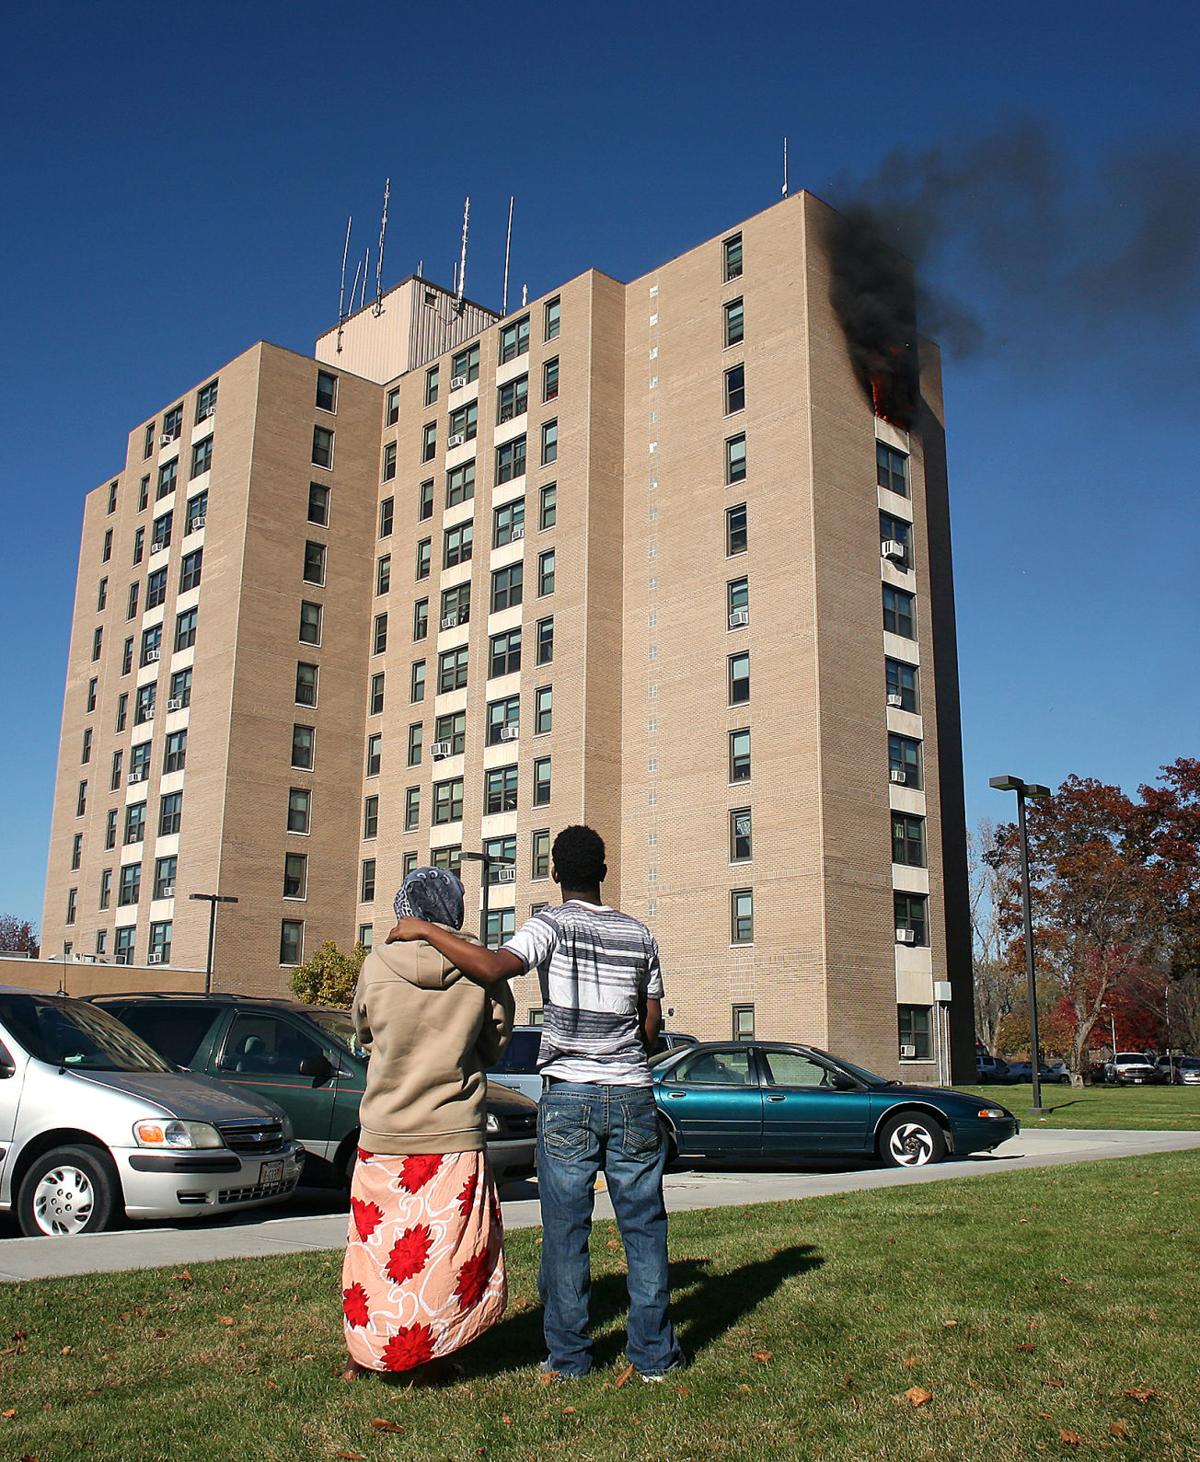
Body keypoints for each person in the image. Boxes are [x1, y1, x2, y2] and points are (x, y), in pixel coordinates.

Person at [387, 825, 685, 1382]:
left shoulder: (549, 924)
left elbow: (492, 967)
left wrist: (424, 928)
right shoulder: (639, 934)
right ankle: (654, 1355)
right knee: (645, 1226)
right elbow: (650, 1028)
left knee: (567, 1232)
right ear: (603, 871)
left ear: (554, 872)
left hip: (568, 1094)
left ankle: (570, 1359)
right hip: (632, 1094)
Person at [341, 866, 515, 1382]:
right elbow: (495, 1044)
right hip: (453, 1130)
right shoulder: (482, 971)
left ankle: (365, 1352)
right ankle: (434, 1352)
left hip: (385, 1131)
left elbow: (364, 1031)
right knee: (445, 1254)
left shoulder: (376, 964)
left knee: (375, 1254)